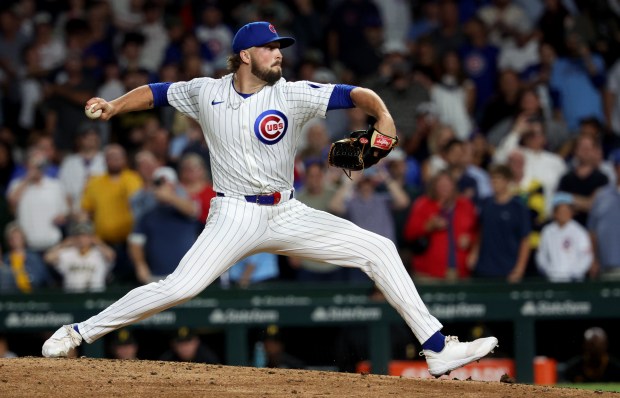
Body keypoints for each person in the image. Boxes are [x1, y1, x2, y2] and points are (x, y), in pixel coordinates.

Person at [42, 21, 497, 377]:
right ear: (245, 55)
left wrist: (382, 113)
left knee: (378, 248)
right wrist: (117, 105)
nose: (279, 53)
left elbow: (353, 93)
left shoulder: (293, 95)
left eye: (281, 47)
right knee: (178, 288)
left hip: (286, 210)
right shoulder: (207, 91)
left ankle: (437, 348)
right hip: (233, 214)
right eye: (270, 47)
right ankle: (77, 332)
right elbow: (158, 93)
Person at [404, 171, 477, 282]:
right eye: (441, 185)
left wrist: (469, 239)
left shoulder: (465, 205)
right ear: (434, 187)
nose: (445, 189)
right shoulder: (424, 204)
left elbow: (476, 231)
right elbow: (409, 233)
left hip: (460, 271)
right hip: (428, 272)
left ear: (454, 186)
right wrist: (429, 226)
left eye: (447, 185)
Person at [470, 165, 531, 282]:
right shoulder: (486, 203)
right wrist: (474, 252)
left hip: (508, 269)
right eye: (492, 179)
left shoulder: (518, 207)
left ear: (507, 181)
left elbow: (525, 239)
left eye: (498, 179)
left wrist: (519, 269)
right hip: (484, 268)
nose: (494, 182)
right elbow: (481, 230)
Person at [44, 220, 115, 293]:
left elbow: (111, 256)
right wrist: (63, 244)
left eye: (85, 236)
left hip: (95, 297)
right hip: (72, 296)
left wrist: (99, 243)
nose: (81, 239)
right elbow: (48, 258)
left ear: (91, 237)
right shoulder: (68, 253)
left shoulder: (99, 253)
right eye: (78, 236)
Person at [536, 193, 593, 282]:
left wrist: (575, 273)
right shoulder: (547, 231)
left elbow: (586, 256)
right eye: (560, 211)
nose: (563, 214)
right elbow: (541, 255)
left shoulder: (579, 231)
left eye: (566, 210)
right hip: (552, 279)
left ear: (571, 212)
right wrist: (549, 271)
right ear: (555, 213)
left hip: (574, 280)